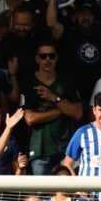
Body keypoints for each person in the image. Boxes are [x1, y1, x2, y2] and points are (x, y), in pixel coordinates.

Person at [20, 41, 82, 176]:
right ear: (37, 59)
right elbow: (30, 118)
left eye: (51, 56)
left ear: (57, 58)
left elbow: (78, 113)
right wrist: (62, 109)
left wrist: (54, 98)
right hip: (40, 149)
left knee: (67, 194)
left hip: (66, 149)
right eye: (43, 56)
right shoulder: (28, 82)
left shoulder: (66, 80)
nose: (47, 60)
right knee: (41, 194)